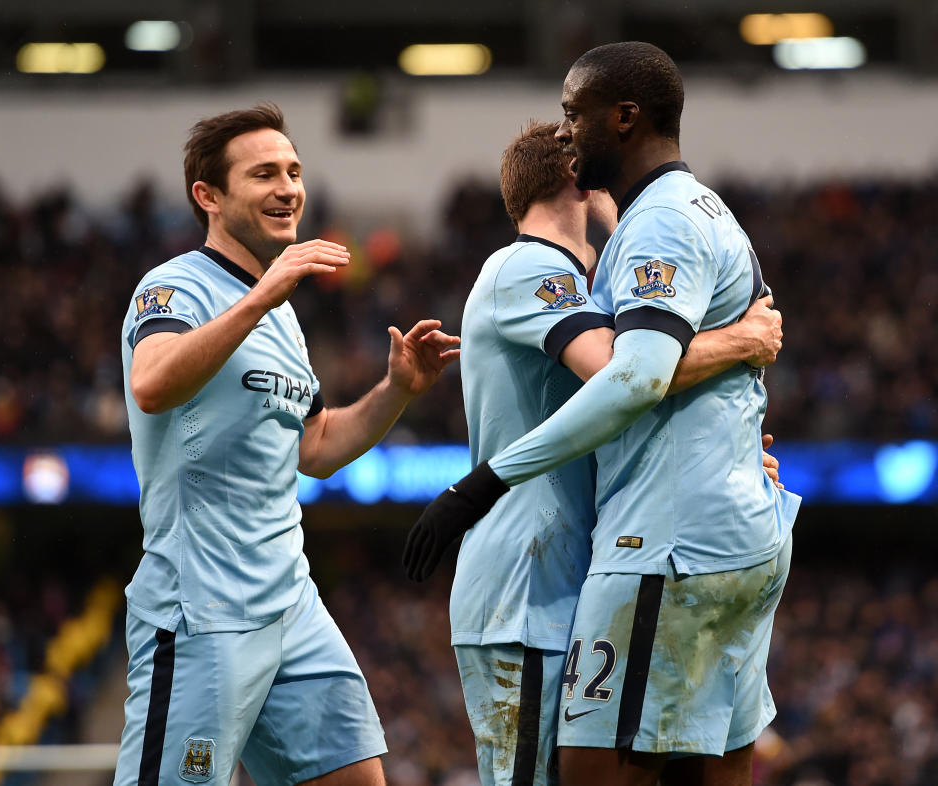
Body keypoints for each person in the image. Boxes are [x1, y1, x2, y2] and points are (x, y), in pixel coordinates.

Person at [406, 44, 802, 786]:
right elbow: (634, 376)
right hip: (618, 563)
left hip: (652, 546)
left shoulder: (651, 227)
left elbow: (631, 381)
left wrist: (480, 483)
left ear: (621, 120)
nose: (565, 131)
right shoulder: (568, 255)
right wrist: (742, 349)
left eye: (572, 115)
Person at [115, 104, 459, 786]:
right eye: (264, 173)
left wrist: (398, 391)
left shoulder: (286, 320)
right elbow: (151, 384)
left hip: (292, 605)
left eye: (295, 171)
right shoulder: (175, 286)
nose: (288, 187)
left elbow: (316, 446)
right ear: (208, 197)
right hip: (201, 610)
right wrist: (259, 298)